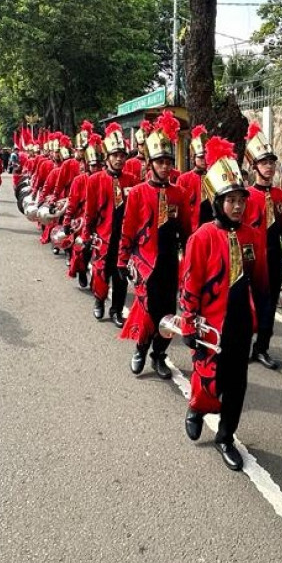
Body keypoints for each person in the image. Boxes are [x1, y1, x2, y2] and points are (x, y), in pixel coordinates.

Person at [179, 136, 268, 472]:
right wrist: (188, 323)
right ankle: (196, 408)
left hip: (241, 323)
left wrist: (263, 327)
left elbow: (260, 282)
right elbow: (191, 284)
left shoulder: (252, 235)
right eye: (229, 200)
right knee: (207, 380)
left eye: (240, 200)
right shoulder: (201, 237)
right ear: (217, 202)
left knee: (237, 382)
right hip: (209, 324)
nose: (237, 206)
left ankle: (226, 436)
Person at [119, 110, 193, 380]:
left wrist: (190, 260)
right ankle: (140, 348)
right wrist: (121, 260)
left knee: (168, 313)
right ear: (150, 163)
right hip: (144, 261)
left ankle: (159, 355)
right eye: (159, 161)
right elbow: (127, 229)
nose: (164, 166)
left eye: (168, 162)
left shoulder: (179, 193)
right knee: (148, 311)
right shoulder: (138, 193)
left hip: (169, 261)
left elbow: (187, 230)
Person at [243, 122, 282, 370]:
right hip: (250, 259)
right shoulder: (244, 196)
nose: (269, 166)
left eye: (271, 162)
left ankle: (262, 347)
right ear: (254, 166)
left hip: (274, 258)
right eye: (264, 162)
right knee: (247, 304)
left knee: (269, 306)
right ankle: (243, 344)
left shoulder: (281, 197)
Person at [85, 123, 136, 327]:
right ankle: (99, 300)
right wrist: (87, 234)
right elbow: (90, 211)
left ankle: (116, 310)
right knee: (100, 274)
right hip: (103, 236)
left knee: (121, 277)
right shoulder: (95, 180)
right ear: (107, 157)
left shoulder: (132, 179)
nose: (119, 159)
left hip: (124, 237)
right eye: (115, 155)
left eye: (122, 155)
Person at [65, 133, 103, 290]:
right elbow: (73, 202)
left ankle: (99, 284)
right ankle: (81, 270)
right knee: (84, 250)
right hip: (83, 219)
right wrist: (67, 220)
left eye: (99, 165)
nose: (96, 169)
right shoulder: (79, 180)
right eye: (93, 165)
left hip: (102, 221)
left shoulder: (106, 179)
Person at [175, 124, 210, 231]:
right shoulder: (183, 179)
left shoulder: (213, 177)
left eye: (206, 156)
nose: (204, 160)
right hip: (191, 228)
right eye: (201, 157)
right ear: (193, 158)